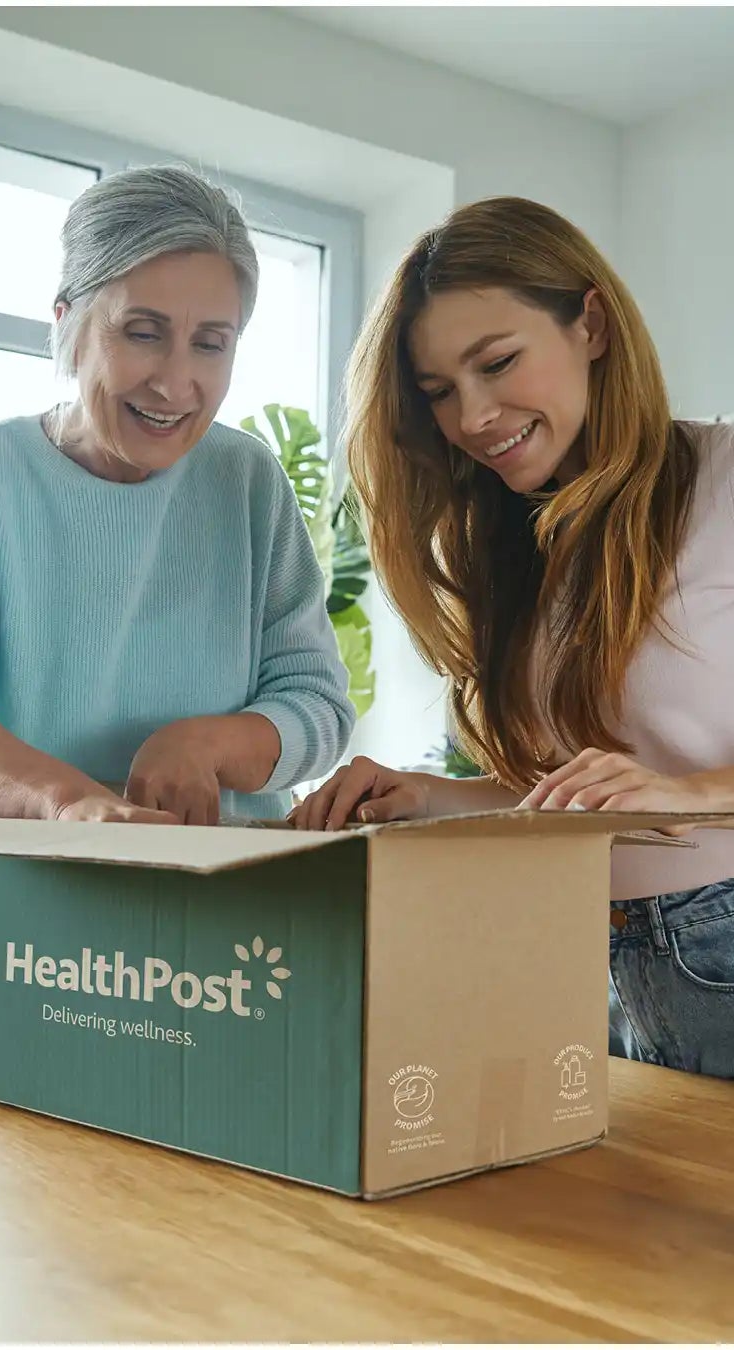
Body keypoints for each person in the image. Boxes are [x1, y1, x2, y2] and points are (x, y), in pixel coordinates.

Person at [0, 165, 356, 1054]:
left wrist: (207, 743)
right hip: (21, 968)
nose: (176, 382)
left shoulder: (248, 483)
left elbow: (316, 703)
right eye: (143, 333)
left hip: (225, 970)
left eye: (211, 343)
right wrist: (66, 804)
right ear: (67, 322)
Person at [291, 196, 734, 1079]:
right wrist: (424, 796)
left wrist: (688, 790)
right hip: (574, 954)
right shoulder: (511, 547)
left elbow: (650, 790)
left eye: (497, 363)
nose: (474, 416)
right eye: (440, 394)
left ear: (592, 324)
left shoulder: (724, 479)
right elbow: (565, 796)